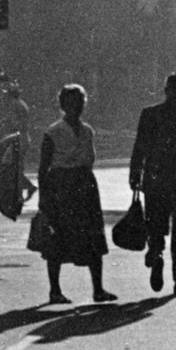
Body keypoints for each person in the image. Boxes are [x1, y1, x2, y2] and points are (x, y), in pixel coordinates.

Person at [32, 84, 115, 304]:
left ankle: (98, 289)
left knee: (93, 237)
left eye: (80, 102)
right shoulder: (52, 132)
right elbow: (43, 168)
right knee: (57, 237)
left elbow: (90, 159)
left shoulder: (88, 131)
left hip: (85, 185)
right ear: (62, 105)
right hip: (61, 185)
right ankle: (55, 290)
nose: (76, 107)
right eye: (71, 102)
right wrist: (44, 197)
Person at [128, 73, 176, 294]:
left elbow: (139, 148)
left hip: (155, 180)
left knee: (155, 225)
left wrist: (135, 174)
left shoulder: (150, 114)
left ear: (166, 90)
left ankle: (156, 254)